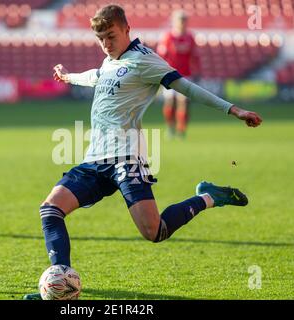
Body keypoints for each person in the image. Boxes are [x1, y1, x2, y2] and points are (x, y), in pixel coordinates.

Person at [23, 5, 262, 300]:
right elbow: (97, 76)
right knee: (50, 209)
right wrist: (69, 76)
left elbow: (186, 88)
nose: (106, 44)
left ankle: (209, 196)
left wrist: (233, 109)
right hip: (95, 160)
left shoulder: (145, 61)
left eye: (111, 36)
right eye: (101, 39)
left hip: (126, 159)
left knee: (155, 232)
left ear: (127, 29)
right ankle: (60, 284)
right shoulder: (110, 61)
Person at [157, 10, 200, 138]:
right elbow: (161, 56)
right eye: (180, 20)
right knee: (170, 101)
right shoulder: (168, 37)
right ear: (175, 22)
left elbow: (195, 56)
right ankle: (170, 127)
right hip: (169, 74)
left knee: (184, 102)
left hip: (185, 75)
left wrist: (197, 70)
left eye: (184, 20)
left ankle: (181, 130)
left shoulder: (190, 37)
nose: (182, 22)